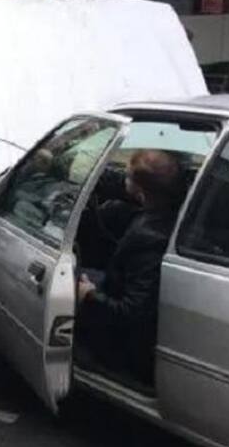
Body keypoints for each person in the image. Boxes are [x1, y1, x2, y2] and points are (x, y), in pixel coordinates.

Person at [76, 149, 186, 384]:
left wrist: (88, 295)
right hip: (129, 295)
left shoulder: (148, 238)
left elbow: (132, 312)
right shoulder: (173, 206)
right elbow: (122, 185)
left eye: (128, 177)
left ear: (139, 190)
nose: (124, 180)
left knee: (68, 278)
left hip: (128, 342)